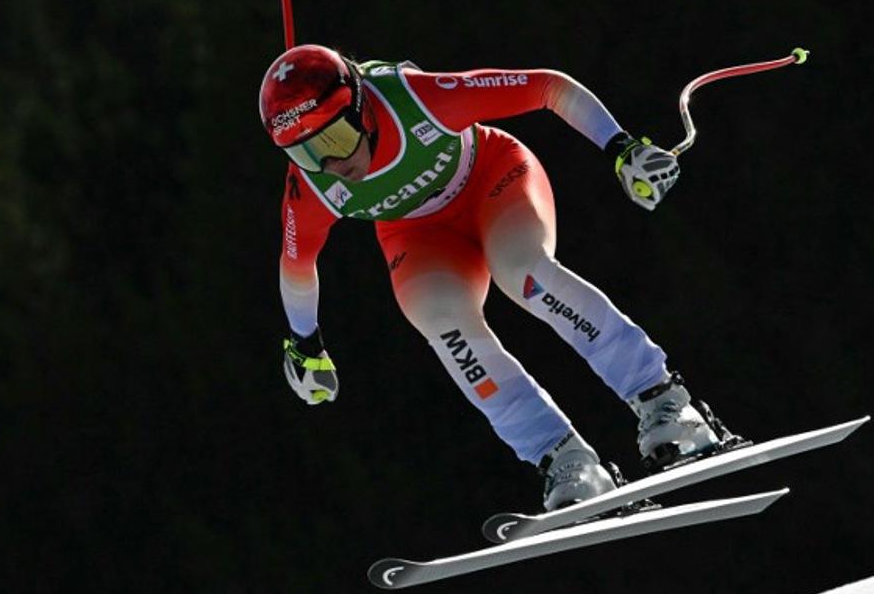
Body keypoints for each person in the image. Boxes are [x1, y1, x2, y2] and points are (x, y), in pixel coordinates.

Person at [261, 44, 741, 511]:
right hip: (418, 233)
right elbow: (297, 263)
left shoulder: (416, 99)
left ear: (362, 108)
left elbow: (548, 87)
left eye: (334, 140)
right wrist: (305, 344)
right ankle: (563, 459)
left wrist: (622, 147)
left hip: (492, 179)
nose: (331, 165)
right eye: (305, 152)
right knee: (441, 321)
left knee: (524, 273)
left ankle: (665, 401)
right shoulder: (312, 184)